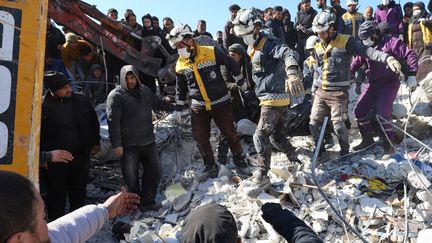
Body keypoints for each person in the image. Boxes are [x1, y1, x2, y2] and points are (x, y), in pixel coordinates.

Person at [309, 11, 402, 157]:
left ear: (331, 28)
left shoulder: (346, 41)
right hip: (321, 91)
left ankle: (345, 152)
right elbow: (317, 68)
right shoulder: (318, 46)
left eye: (322, 32)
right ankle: (320, 150)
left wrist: (387, 58)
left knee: (339, 126)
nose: (320, 36)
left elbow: (367, 52)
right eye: (318, 33)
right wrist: (314, 86)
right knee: (313, 123)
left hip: (338, 93)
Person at [167, 24, 251, 181]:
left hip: (220, 102)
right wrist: (178, 108)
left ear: (189, 40)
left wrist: (240, 81)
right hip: (198, 106)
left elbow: (230, 63)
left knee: (230, 134)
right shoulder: (180, 64)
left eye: (180, 45)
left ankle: (241, 163)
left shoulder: (210, 52)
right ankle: (210, 168)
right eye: (176, 47)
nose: (179, 49)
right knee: (200, 137)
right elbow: (181, 88)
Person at [233, 8, 303, 188]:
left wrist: (293, 72)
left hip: (274, 96)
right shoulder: (253, 46)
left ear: (256, 28)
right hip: (269, 96)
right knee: (276, 136)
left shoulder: (268, 42)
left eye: (247, 33)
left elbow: (287, 53)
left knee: (260, 136)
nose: (244, 37)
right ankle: (296, 162)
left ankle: (263, 175)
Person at [106, 65, 178, 211]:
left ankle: (148, 201)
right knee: (131, 178)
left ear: (137, 77)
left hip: (148, 141)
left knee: (155, 171)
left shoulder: (145, 91)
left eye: (132, 78)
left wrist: (177, 107)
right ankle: (135, 206)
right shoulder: (116, 96)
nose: (130, 81)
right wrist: (117, 144)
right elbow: (112, 122)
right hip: (128, 145)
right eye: (127, 78)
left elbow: (158, 104)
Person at [0, 170, 139, 243]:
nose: (48, 225)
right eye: (43, 217)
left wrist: (105, 210)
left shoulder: (31, 238)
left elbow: (64, 232)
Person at [351, 21, 418, 159]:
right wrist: (347, 74)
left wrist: (411, 74)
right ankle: (367, 139)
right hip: (372, 83)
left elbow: (409, 54)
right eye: (362, 39)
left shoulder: (391, 42)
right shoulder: (366, 47)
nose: (364, 41)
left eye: (366, 38)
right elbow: (356, 62)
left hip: (389, 83)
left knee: (383, 113)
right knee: (359, 111)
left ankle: (389, 144)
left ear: (375, 34)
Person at [40, 71, 100, 221]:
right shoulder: (41, 107)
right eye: (64, 88)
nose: (69, 90)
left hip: (80, 156)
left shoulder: (81, 100)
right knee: (56, 196)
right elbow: (36, 135)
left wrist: (95, 141)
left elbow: (93, 122)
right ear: (53, 90)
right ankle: (57, 229)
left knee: (79, 192)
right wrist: (44, 157)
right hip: (56, 162)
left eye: (69, 85)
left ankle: (78, 225)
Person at [217, 43, 259, 165]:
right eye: (229, 55)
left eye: (233, 55)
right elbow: (226, 84)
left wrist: (250, 90)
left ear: (240, 56)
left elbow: (253, 80)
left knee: (247, 121)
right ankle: (221, 157)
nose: (230, 57)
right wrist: (240, 85)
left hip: (245, 99)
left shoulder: (247, 65)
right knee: (228, 128)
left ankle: (249, 143)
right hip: (229, 100)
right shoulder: (225, 66)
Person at [407, 1, 432, 82]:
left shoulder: (427, 17)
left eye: (417, 9)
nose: (415, 11)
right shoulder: (411, 20)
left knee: (425, 66)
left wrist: (427, 23)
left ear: (422, 9)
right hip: (414, 47)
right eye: (414, 9)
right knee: (416, 66)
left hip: (426, 46)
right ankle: (418, 83)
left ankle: (427, 83)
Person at [295, 0, 318, 69]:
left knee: (309, 57)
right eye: (306, 6)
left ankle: (310, 74)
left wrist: (307, 30)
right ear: (302, 5)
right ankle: (302, 75)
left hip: (309, 39)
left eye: (309, 5)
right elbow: (295, 24)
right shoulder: (299, 13)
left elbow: (316, 26)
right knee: (300, 57)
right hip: (300, 39)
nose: (308, 7)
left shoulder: (314, 13)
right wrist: (298, 27)